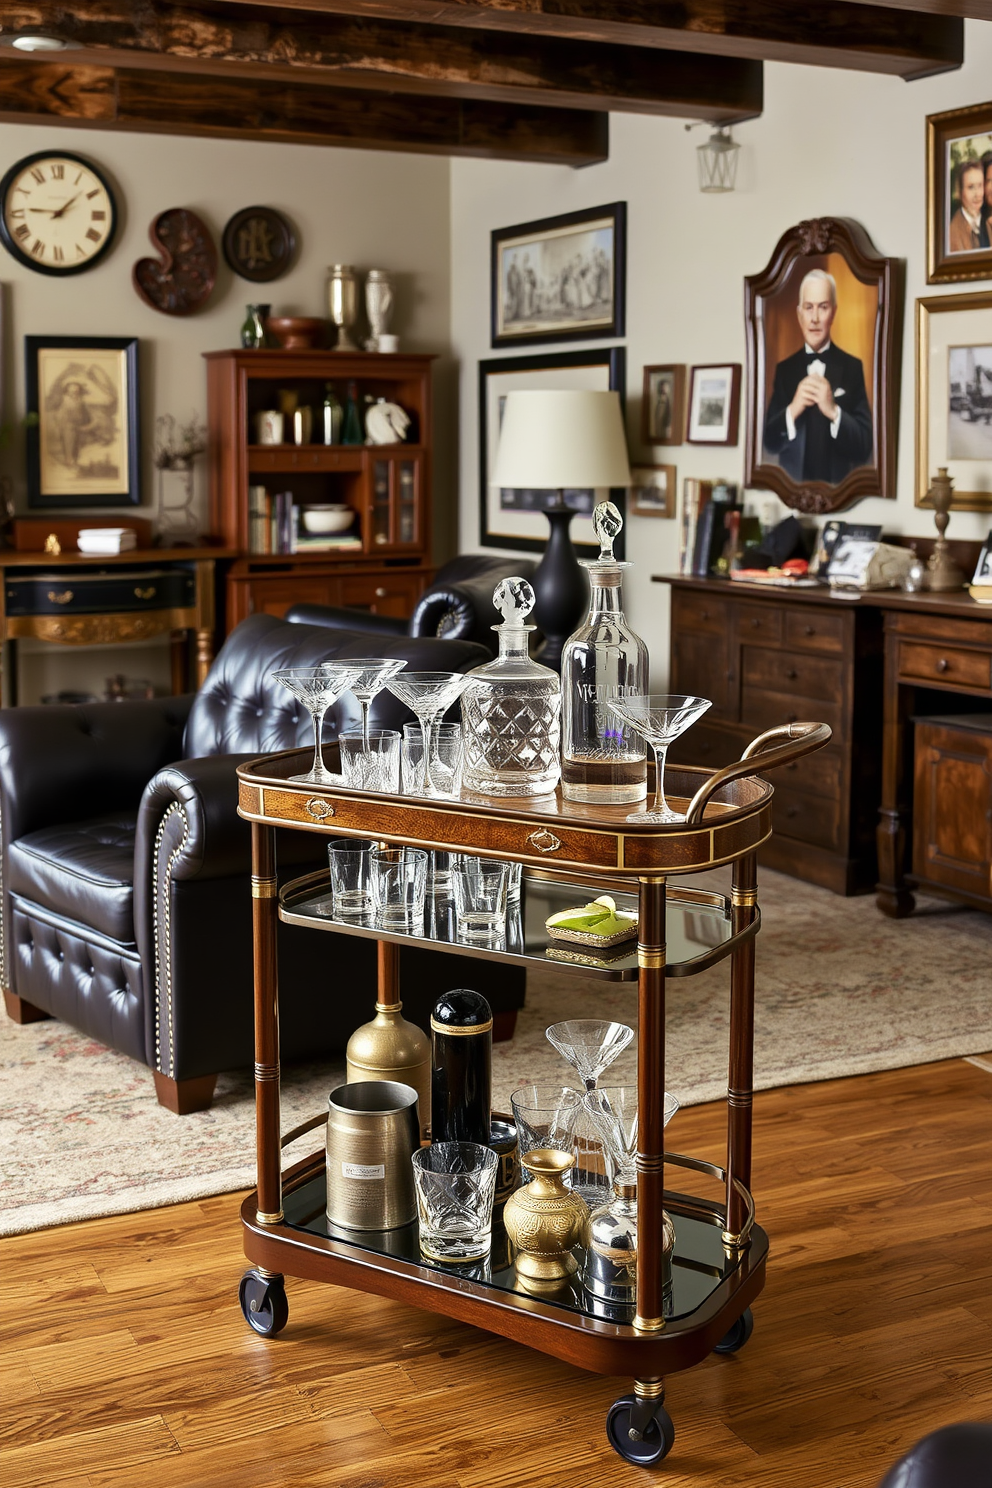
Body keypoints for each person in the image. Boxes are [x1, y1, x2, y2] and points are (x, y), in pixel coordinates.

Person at [762, 270, 873, 485]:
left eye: (823, 307)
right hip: (791, 492)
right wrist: (793, 409)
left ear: (833, 312)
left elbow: (864, 447)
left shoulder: (852, 367)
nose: (814, 318)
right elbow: (770, 443)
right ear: (799, 314)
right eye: (808, 307)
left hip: (840, 493)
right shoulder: (784, 369)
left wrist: (833, 411)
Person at [948, 157, 984, 253]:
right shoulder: (953, 233)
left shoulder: (987, 222)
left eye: (980, 185)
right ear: (960, 192)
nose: (977, 194)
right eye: (971, 187)